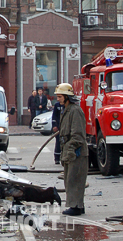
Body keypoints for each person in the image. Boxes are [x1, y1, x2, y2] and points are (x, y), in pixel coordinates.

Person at [54, 83, 88, 216]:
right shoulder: (66, 110)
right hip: (70, 150)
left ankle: (75, 207)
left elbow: (78, 135)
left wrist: (70, 150)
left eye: (60, 96)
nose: (58, 99)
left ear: (67, 97)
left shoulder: (75, 111)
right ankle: (78, 205)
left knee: (75, 179)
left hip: (77, 152)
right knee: (70, 179)